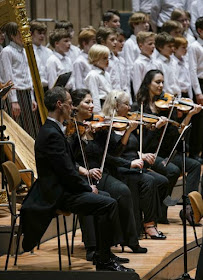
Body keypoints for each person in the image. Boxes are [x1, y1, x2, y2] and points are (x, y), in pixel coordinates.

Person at [20, 86, 136, 273]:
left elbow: (67, 166)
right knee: (108, 203)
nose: (72, 108)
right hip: (58, 194)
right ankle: (104, 261)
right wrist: (87, 188)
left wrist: (86, 183)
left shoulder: (52, 130)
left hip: (62, 188)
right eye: (70, 104)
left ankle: (102, 253)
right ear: (59, 105)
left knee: (107, 197)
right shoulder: (51, 133)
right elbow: (66, 172)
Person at [70, 88, 148, 257]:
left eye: (92, 102)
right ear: (75, 106)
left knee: (123, 191)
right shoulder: (71, 130)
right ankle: (92, 246)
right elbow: (69, 159)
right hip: (79, 177)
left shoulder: (99, 128)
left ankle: (131, 241)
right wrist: (85, 171)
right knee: (92, 196)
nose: (92, 105)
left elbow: (113, 154)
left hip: (100, 173)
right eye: (87, 102)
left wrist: (126, 133)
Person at [136, 69, 202, 225]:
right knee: (172, 170)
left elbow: (178, 131)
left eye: (162, 82)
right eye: (157, 82)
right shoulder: (140, 107)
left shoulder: (167, 106)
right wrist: (156, 128)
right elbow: (143, 142)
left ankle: (188, 208)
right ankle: (162, 207)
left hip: (167, 154)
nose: (161, 86)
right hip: (149, 154)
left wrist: (190, 115)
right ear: (147, 83)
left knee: (195, 165)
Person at [102, 90, 170, 228]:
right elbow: (115, 153)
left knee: (163, 181)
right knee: (150, 181)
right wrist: (128, 132)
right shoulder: (107, 126)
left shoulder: (128, 121)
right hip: (121, 167)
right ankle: (149, 223)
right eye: (126, 104)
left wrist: (141, 154)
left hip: (135, 163)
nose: (130, 108)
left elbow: (136, 146)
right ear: (115, 105)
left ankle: (147, 215)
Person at [0, 22, 40, 139]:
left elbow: (28, 75)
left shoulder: (24, 51)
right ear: (12, 35)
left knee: (31, 129)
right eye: (21, 33)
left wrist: (32, 97)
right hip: (17, 94)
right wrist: (13, 101)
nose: (25, 36)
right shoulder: (7, 51)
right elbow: (8, 77)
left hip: (26, 93)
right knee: (19, 129)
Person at [122, 12, 150, 96]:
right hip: (138, 81)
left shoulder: (149, 42)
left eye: (147, 22)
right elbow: (129, 66)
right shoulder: (129, 43)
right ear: (134, 24)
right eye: (143, 22)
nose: (147, 25)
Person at [188, 17, 203, 163]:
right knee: (198, 122)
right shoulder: (194, 46)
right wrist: (198, 92)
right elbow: (192, 70)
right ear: (200, 31)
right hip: (200, 84)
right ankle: (194, 153)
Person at [84, 44, 112, 113]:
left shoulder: (107, 74)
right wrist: (97, 113)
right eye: (104, 58)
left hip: (108, 106)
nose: (107, 61)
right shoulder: (93, 75)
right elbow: (94, 96)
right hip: (100, 106)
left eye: (108, 58)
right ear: (95, 59)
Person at [131, 31, 158, 97]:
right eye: (150, 44)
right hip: (145, 98)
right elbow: (137, 85)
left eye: (154, 43)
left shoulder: (155, 62)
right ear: (141, 46)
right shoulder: (138, 63)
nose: (153, 46)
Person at [155, 32, 181, 96]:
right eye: (169, 46)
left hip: (176, 96)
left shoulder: (174, 62)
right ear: (160, 47)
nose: (172, 49)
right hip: (164, 97)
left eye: (173, 46)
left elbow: (176, 80)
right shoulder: (157, 63)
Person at [30, 20, 53, 91]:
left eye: (44, 33)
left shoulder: (48, 52)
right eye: (39, 33)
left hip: (46, 87)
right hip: (33, 88)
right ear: (31, 34)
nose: (42, 36)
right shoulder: (26, 51)